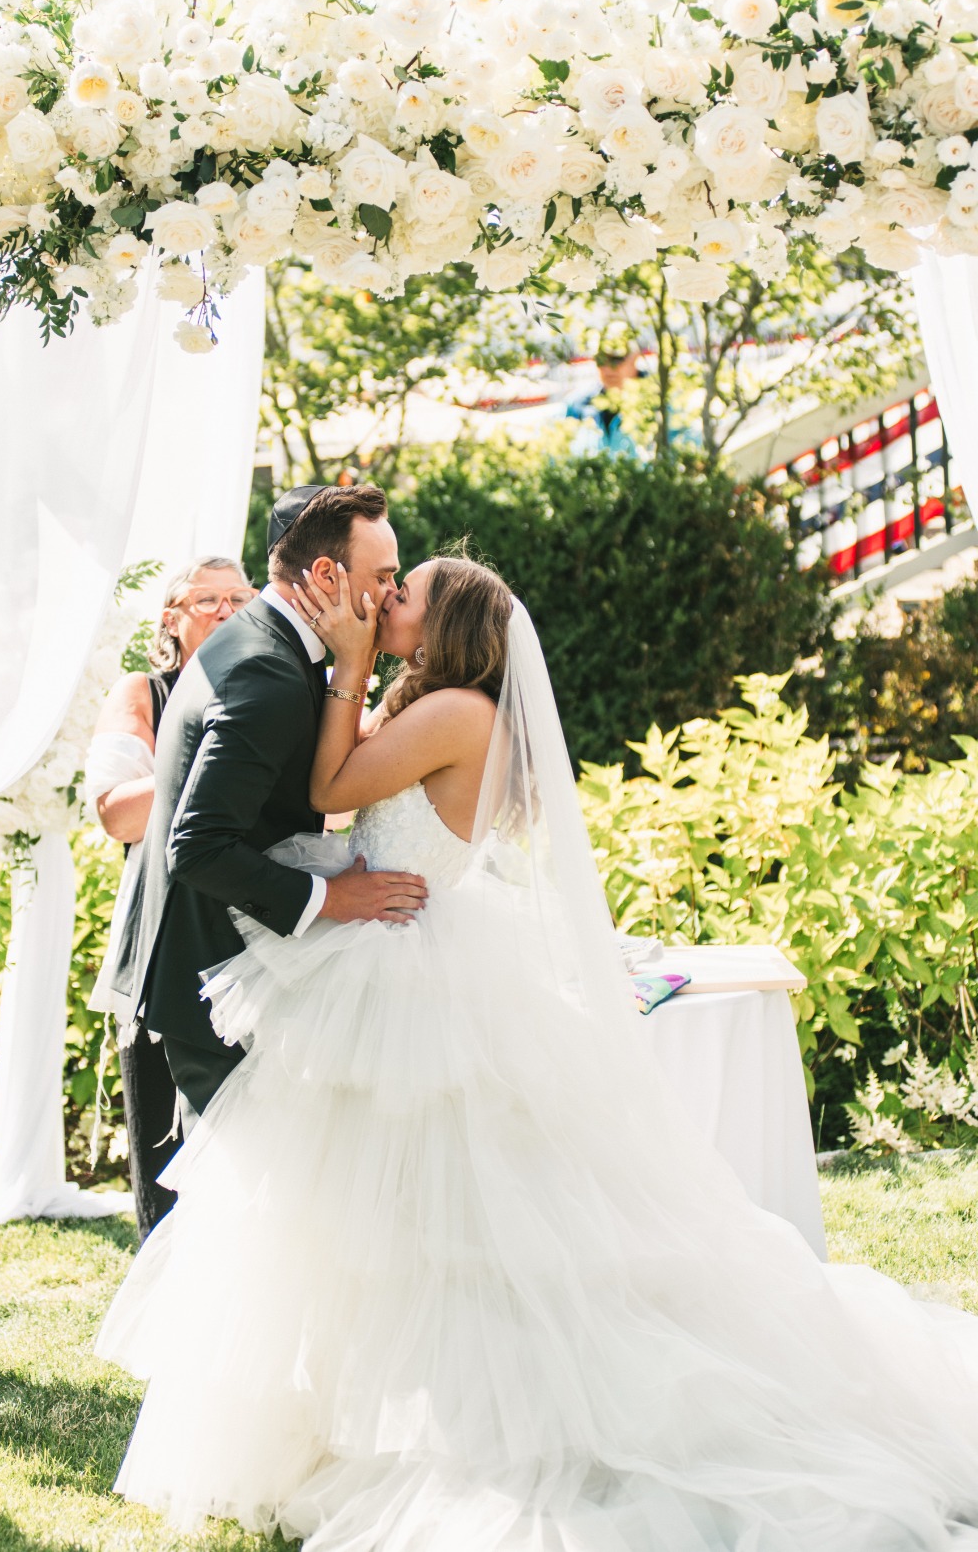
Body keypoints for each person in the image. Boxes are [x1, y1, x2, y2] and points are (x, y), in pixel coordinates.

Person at [99, 544, 978, 1550]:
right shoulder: (441, 706)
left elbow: (332, 784)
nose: (387, 597)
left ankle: (487, 1426)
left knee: (439, 1215)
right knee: (369, 1214)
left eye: (406, 594)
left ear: (442, 629)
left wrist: (343, 668)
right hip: (394, 944)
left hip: (409, 968)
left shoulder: (454, 713)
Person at [127, 483, 428, 1146]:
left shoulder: (263, 640)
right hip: (215, 975)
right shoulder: (266, 669)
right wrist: (332, 897)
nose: (390, 590)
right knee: (241, 1202)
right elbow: (199, 845)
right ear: (325, 574)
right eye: (383, 575)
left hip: (222, 969)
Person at [84, 557, 255, 1240]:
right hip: (162, 925)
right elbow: (119, 816)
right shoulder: (143, 692)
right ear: (171, 617)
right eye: (205, 598)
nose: (224, 609)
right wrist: (213, 758)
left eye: (239, 597)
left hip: (253, 929)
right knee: (164, 1132)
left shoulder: (276, 689)